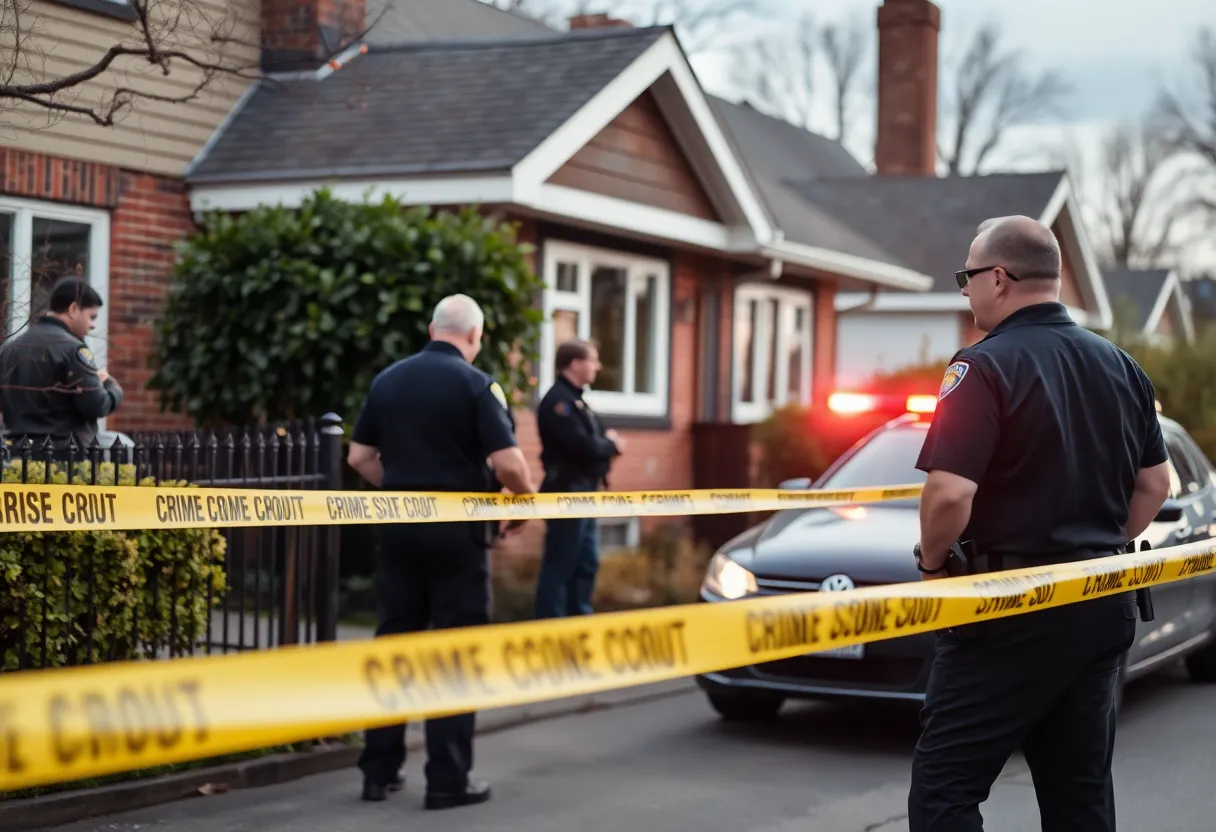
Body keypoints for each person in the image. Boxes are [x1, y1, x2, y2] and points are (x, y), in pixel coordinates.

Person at [907, 215, 1172, 831]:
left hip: (1008, 611)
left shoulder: (983, 367)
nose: (965, 291)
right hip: (1100, 604)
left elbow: (948, 493)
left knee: (945, 790)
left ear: (998, 278)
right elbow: (1155, 484)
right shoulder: (1122, 366)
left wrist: (932, 563)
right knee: (1079, 798)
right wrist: (1100, 543)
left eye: (966, 277)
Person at [347, 293, 536, 811]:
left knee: (394, 644)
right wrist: (521, 506)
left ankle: (378, 771)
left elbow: (359, 456)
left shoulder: (388, 380)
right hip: (458, 535)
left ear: (433, 330)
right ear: (475, 337)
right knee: (455, 651)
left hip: (400, 528)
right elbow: (511, 465)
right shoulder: (478, 385)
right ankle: (448, 779)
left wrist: (403, 493)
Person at [533, 339, 623, 619]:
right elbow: (583, 445)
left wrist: (605, 444)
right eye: (592, 360)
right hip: (567, 494)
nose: (597, 366)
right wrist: (610, 446)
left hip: (586, 493)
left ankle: (579, 625)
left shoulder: (578, 400)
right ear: (575, 363)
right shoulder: (559, 403)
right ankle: (550, 628)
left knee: (586, 563)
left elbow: (596, 438)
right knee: (561, 563)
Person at [0, 277, 123, 457]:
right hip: (64, 459)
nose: (93, 324)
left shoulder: (9, 349)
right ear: (73, 309)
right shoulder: (73, 350)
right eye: (92, 316)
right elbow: (96, 405)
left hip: (17, 457)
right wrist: (112, 386)